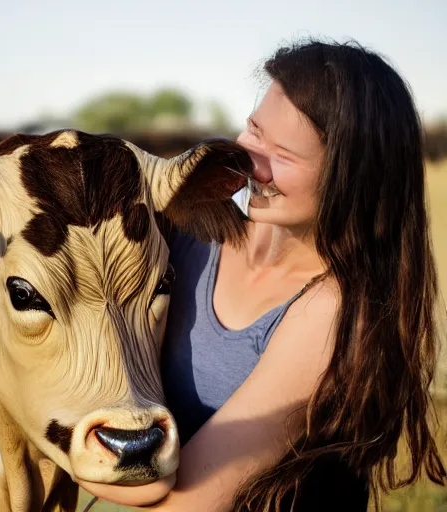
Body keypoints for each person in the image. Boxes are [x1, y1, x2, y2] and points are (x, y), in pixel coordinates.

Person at [98, 39, 447, 511]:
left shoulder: (333, 318)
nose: (250, 160)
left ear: (349, 179)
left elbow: (187, 504)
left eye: (283, 155)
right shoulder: (190, 234)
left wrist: (61, 446)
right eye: (254, 129)